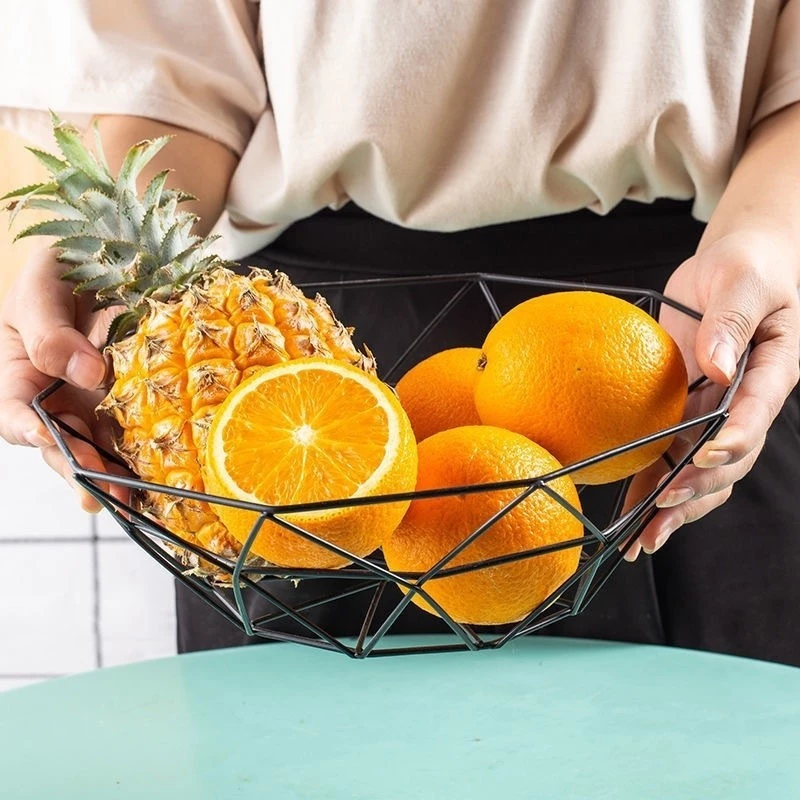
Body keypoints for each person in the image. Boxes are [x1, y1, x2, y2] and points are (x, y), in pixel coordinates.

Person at [1, 1, 799, 664]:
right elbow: (175, 85)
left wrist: (765, 245)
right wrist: (85, 275)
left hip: (681, 332)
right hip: (299, 367)